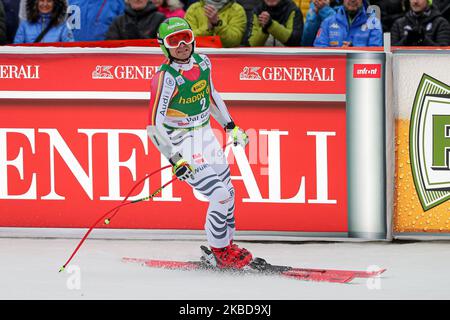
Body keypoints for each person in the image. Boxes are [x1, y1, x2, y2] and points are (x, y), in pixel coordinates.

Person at [147, 17, 253, 269]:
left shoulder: (204, 62)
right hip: (182, 143)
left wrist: (231, 126)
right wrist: (176, 160)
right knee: (219, 194)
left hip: (206, 136)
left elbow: (212, 96)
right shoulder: (166, 78)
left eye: (186, 37)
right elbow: (154, 127)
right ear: (164, 46)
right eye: (174, 41)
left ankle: (226, 246)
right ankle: (220, 252)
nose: (182, 44)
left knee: (229, 192)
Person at [314, 0, 383, 47]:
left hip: (361, 67)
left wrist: (353, 51)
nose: (352, 0)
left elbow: (376, 52)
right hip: (334, 66)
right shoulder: (328, 22)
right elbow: (319, 48)